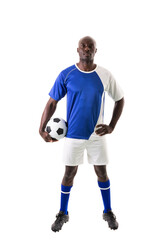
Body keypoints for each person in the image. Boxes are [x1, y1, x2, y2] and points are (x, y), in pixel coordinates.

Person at [39, 36, 124, 232]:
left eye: (90, 46)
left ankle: (108, 211)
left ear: (96, 50)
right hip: (73, 135)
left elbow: (120, 99)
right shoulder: (67, 74)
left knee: (102, 173)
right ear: (77, 50)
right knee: (69, 174)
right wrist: (41, 128)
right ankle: (62, 213)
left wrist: (111, 126)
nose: (87, 49)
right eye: (83, 46)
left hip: (97, 135)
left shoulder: (105, 75)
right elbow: (52, 102)